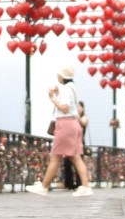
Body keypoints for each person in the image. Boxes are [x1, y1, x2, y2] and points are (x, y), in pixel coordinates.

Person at [31, 65, 90, 195]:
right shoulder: (72, 88)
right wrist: (56, 91)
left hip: (65, 124)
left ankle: (44, 186)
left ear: (62, 76)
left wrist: (53, 99)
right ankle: (85, 186)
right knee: (75, 157)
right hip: (73, 124)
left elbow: (65, 107)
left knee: (56, 156)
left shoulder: (65, 89)